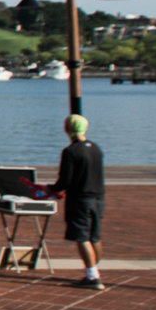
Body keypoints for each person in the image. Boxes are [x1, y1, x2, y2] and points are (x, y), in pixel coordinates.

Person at [45, 112, 107, 289]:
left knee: (82, 236)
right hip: (98, 197)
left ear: (67, 129)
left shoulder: (70, 151)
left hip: (80, 199)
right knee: (95, 236)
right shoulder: (96, 148)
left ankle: (92, 276)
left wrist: (50, 189)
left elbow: (64, 181)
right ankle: (95, 269)